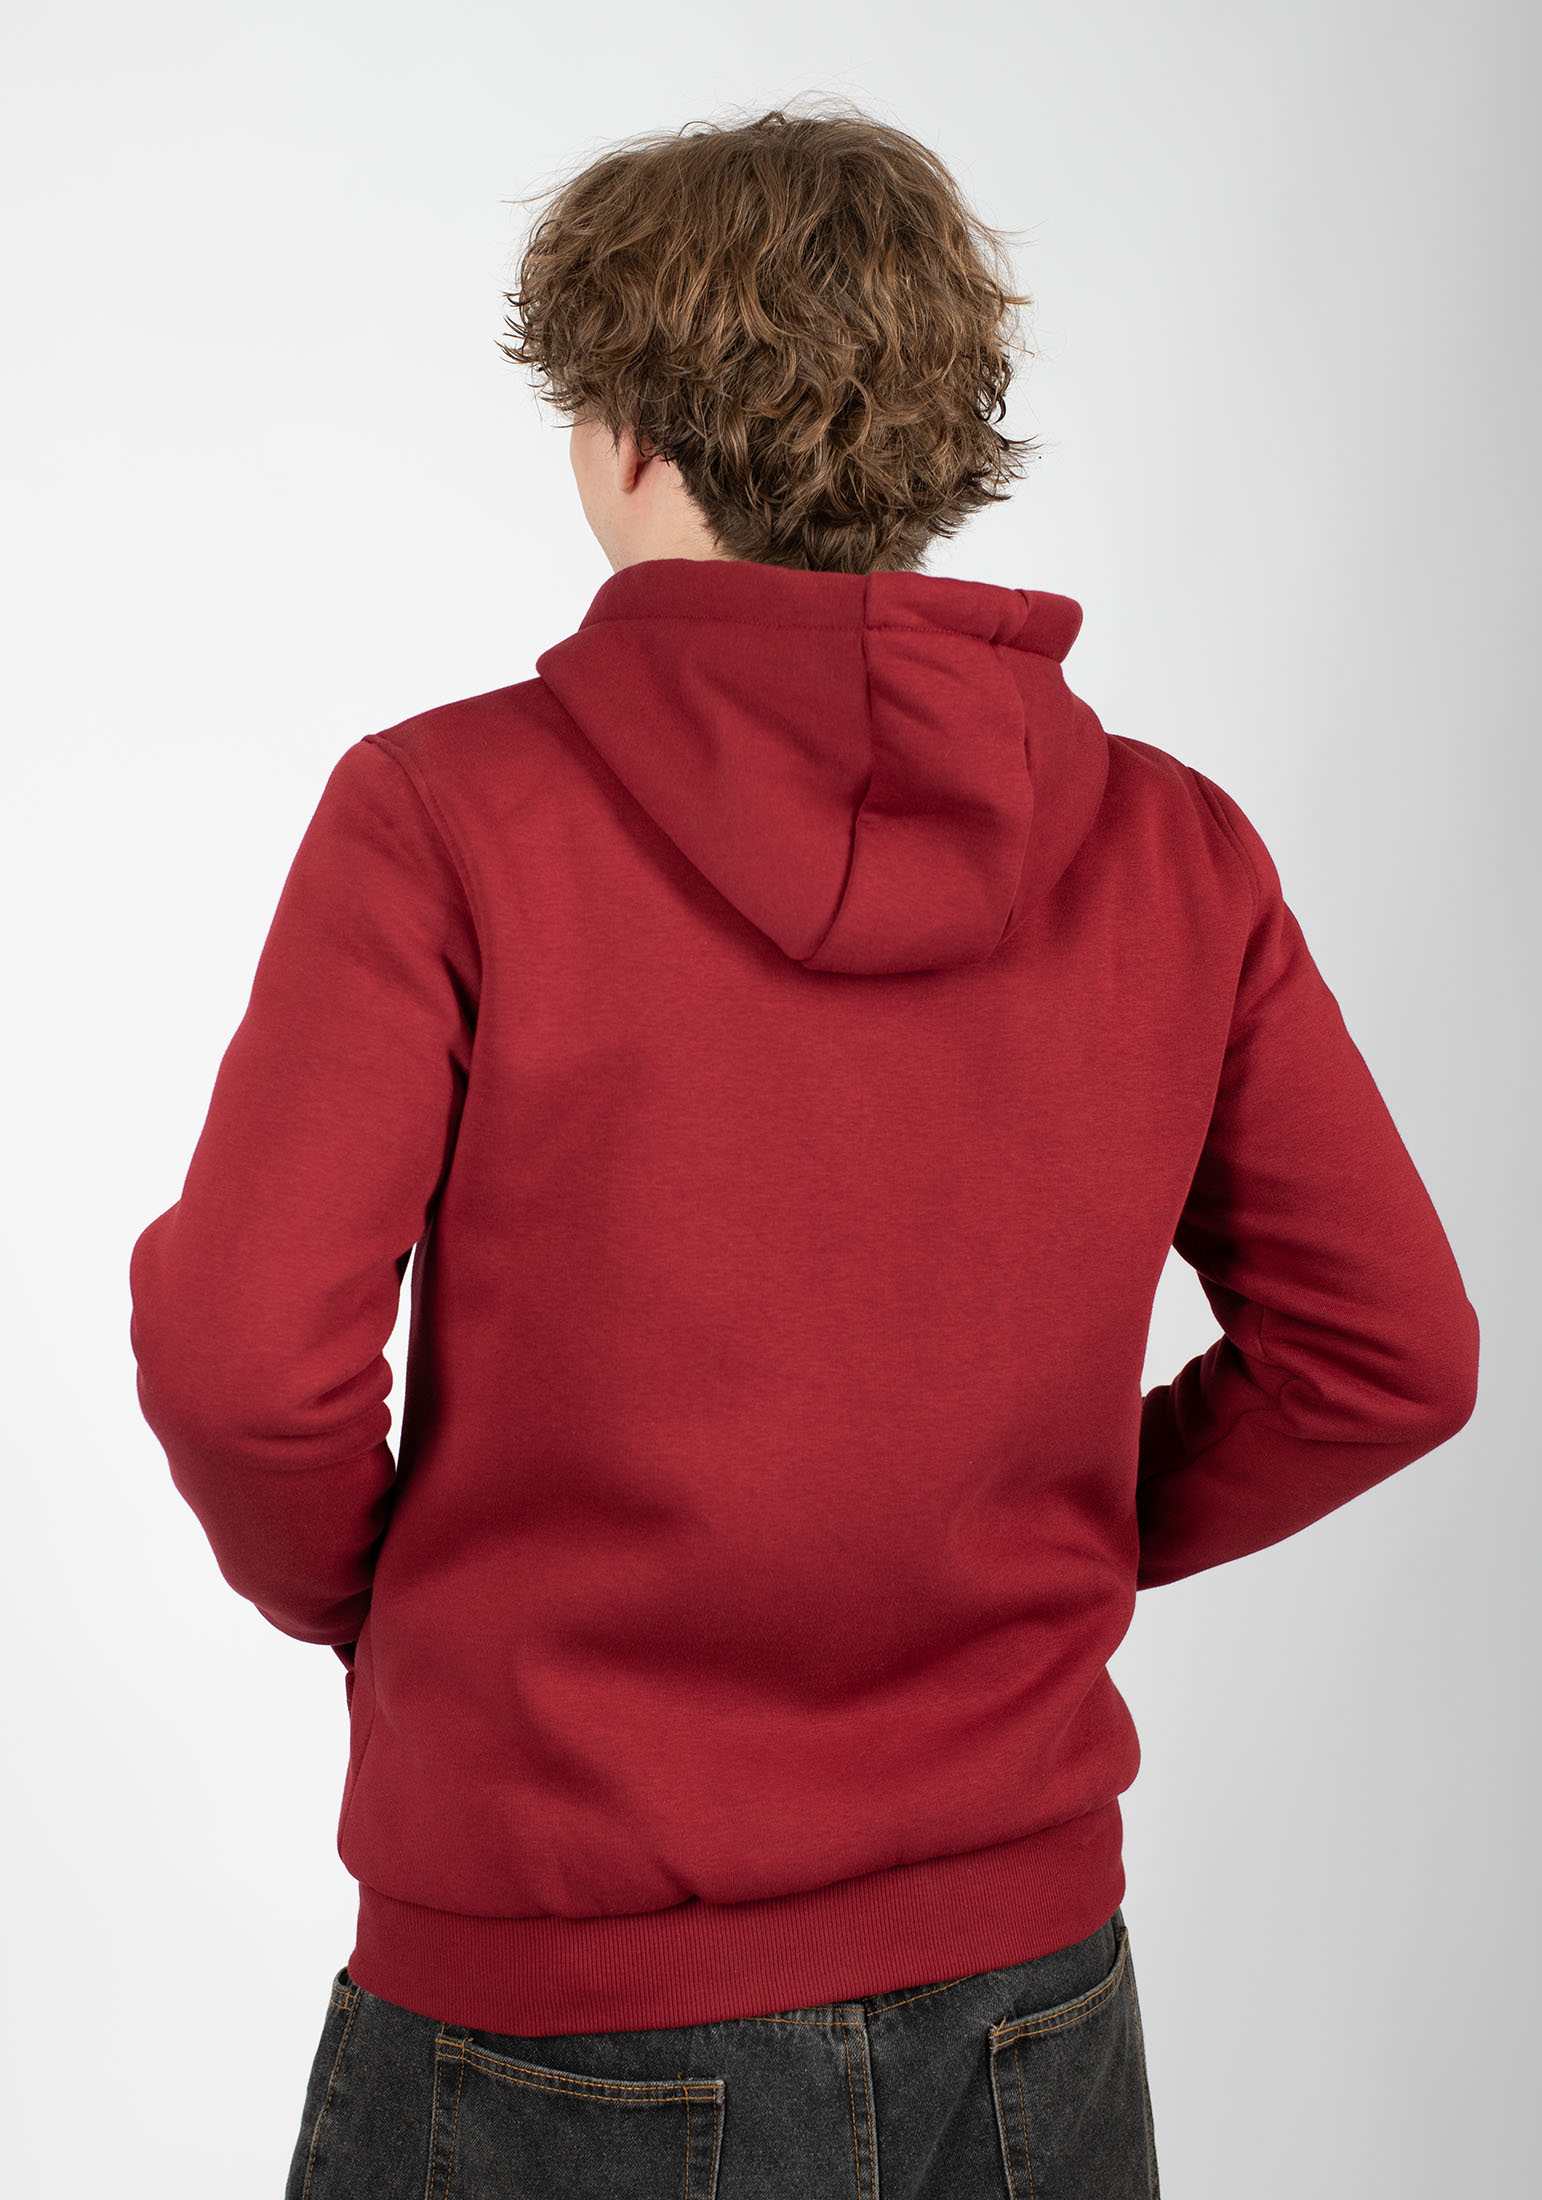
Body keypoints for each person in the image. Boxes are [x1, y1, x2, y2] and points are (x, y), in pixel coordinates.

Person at [127, 99, 1479, 2200]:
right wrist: (1029, 1540)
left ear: (628, 438)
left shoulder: (445, 816)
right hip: (1031, 1992)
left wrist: (389, 1608)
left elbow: (237, 1356)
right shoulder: (1173, 847)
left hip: (561, 1986)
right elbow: (1389, 1350)